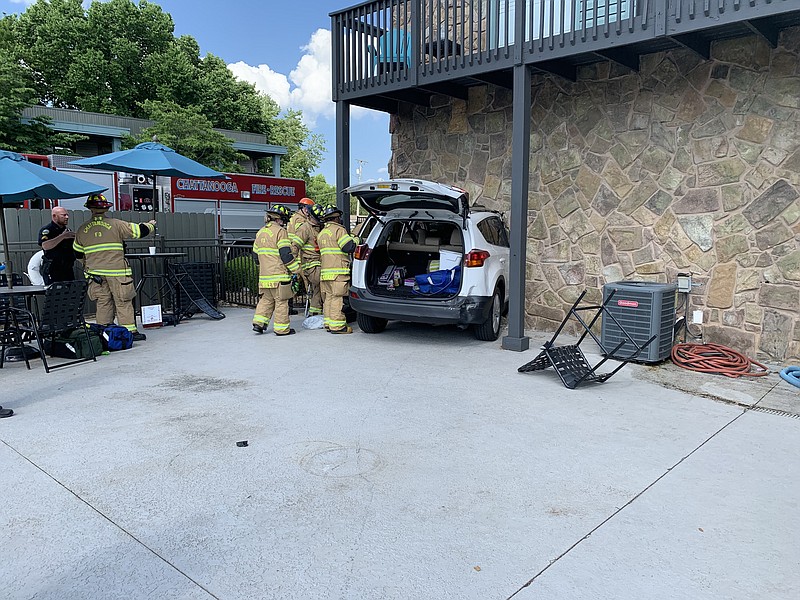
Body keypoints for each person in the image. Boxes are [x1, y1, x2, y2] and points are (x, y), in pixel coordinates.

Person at [73, 194, 156, 342]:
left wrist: (89, 265)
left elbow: (77, 253)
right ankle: (129, 332)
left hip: (95, 275)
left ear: (90, 209)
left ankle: (105, 333)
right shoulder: (116, 224)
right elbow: (138, 231)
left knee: (103, 302)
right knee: (123, 301)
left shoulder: (82, 229)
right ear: (105, 208)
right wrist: (151, 225)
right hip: (117, 272)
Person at [252, 204, 301, 336]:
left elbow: (255, 256)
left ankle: (259, 323)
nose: (284, 223)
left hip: (264, 277)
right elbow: (286, 255)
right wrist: (296, 270)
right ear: (279, 219)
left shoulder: (261, 232)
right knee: (281, 302)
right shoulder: (280, 232)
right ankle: (281, 329)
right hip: (278, 276)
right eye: (284, 220)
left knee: (266, 300)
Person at [317, 205, 359, 334]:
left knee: (329, 298)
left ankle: (329, 323)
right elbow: (348, 247)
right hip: (337, 271)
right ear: (335, 218)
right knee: (337, 298)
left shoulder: (322, 233)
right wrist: (356, 239)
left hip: (325, 272)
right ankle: (338, 326)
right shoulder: (339, 230)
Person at [288, 198, 323, 317]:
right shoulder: (302, 224)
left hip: (311, 262)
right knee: (319, 285)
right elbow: (296, 244)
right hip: (308, 262)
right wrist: (293, 263)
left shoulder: (312, 225)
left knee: (314, 288)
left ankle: (314, 311)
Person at [37, 206, 77, 284]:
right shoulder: (47, 230)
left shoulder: (67, 230)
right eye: (63, 215)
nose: (67, 217)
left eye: (67, 215)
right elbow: (45, 246)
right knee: (55, 293)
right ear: (54, 216)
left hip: (67, 268)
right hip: (53, 268)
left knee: (70, 293)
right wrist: (63, 236)